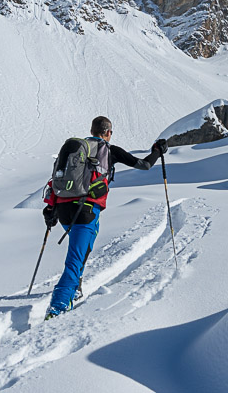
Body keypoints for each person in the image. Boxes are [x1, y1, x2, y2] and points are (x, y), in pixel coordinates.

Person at [42, 115, 167, 319]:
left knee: (85, 247)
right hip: (85, 210)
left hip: (65, 210)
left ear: (92, 130)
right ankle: (58, 306)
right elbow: (144, 165)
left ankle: (75, 286)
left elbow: (58, 178)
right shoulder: (109, 150)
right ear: (108, 133)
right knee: (75, 259)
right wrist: (157, 151)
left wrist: (51, 210)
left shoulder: (75, 148)